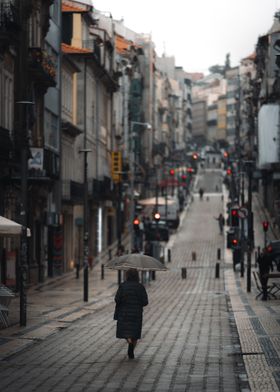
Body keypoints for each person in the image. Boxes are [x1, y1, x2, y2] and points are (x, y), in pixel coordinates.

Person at [114, 268, 148, 359]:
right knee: (135, 332)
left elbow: (117, 299)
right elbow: (145, 302)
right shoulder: (140, 287)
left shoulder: (122, 286)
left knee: (126, 331)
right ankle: (131, 349)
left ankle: (129, 342)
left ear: (127, 276)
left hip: (124, 313)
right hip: (136, 314)